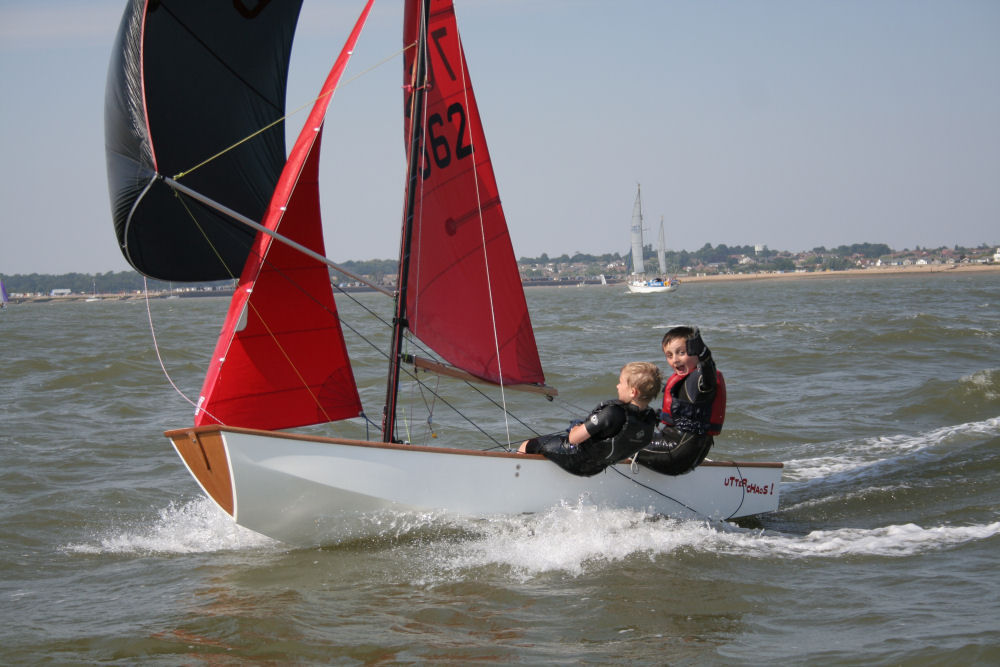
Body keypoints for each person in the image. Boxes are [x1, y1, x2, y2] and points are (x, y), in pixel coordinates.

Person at [517, 362, 662, 476]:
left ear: (633, 392)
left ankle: (517, 480)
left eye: (621, 382)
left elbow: (573, 439)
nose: (617, 386)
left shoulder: (612, 413)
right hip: (597, 467)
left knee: (528, 445)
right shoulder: (650, 418)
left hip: (576, 460)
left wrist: (575, 428)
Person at [635, 326, 726, 475]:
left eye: (681, 353)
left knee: (624, 441)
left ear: (697, 352)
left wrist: (705, 355)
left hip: (676, 452)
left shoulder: (699, 381)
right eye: (669, 355)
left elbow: (708, 376)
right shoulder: (685, 381)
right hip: (686, 453)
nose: (675, 360)